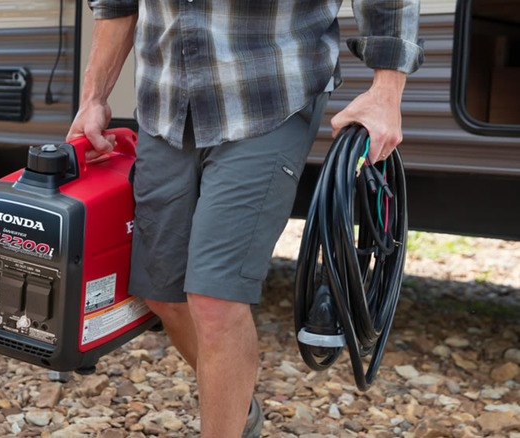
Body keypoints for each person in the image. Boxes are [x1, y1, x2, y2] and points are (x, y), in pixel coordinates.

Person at [67, 1, 423, 436]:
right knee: (161, 293)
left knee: (216, 299)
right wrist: (93, 99)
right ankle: (238, 409)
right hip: (165, 103)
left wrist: (387, 92)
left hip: (268, 96)